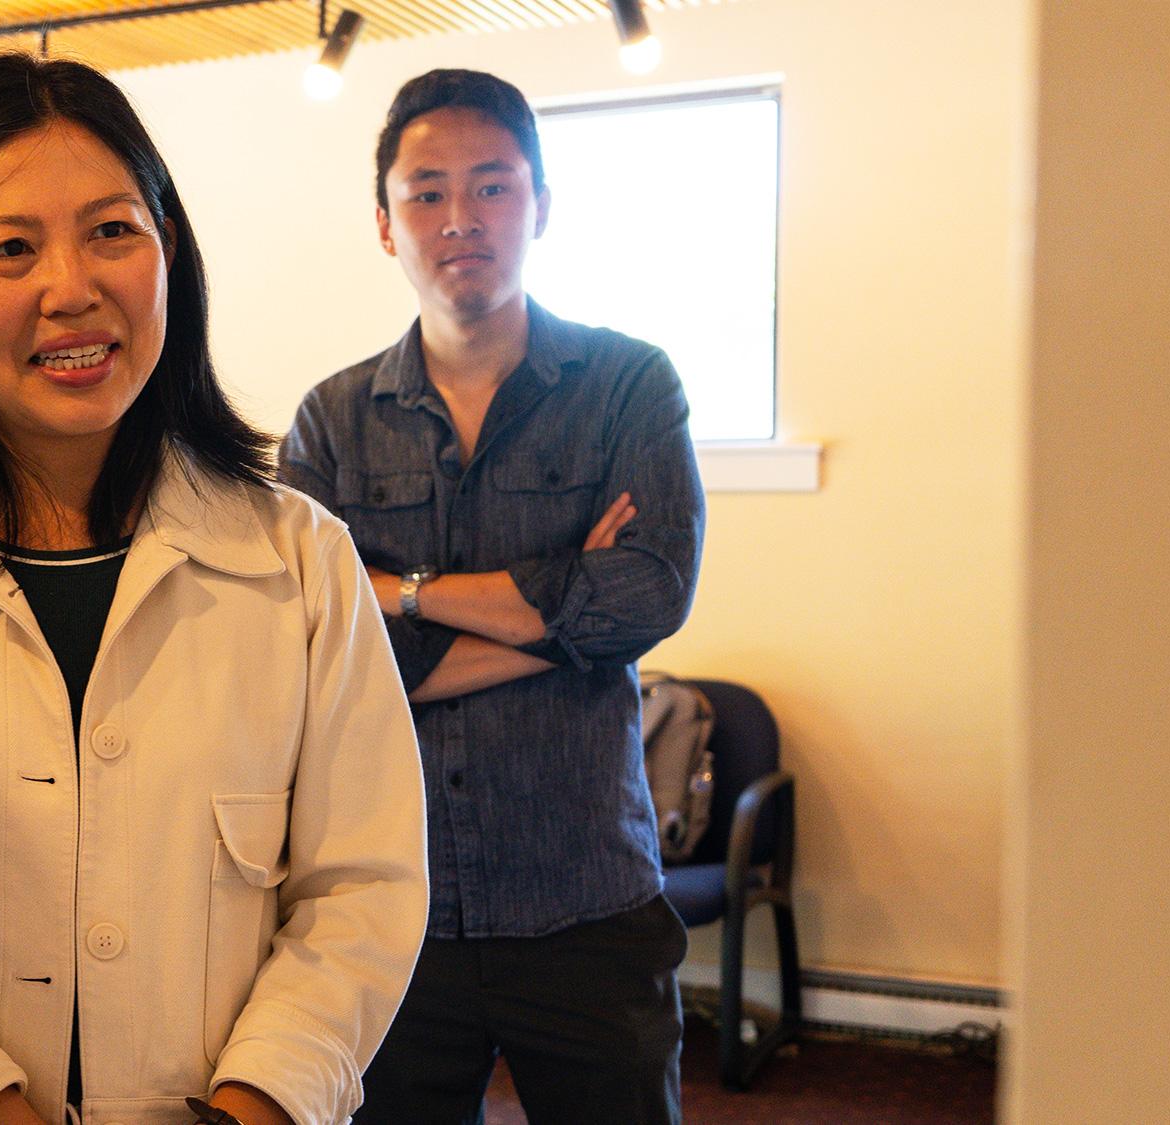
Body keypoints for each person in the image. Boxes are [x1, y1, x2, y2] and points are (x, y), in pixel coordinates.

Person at [0, 54, 426, 1125]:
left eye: (112, 231)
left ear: (169, 261)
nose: (71, 287)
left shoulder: (301, 562)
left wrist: (259, 1103)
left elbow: (364, 889)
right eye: (10, 248)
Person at [281, 69, 705, 1123]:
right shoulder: (330, 422)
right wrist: (569, 627)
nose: (458, 219)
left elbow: (649, 593)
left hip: (584, 895)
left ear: (541, 205)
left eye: (492, 187)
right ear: (384, 224)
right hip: (391, 905)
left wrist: (396, 594)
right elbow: (301, 646)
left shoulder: (628, 385)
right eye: (425, 192)